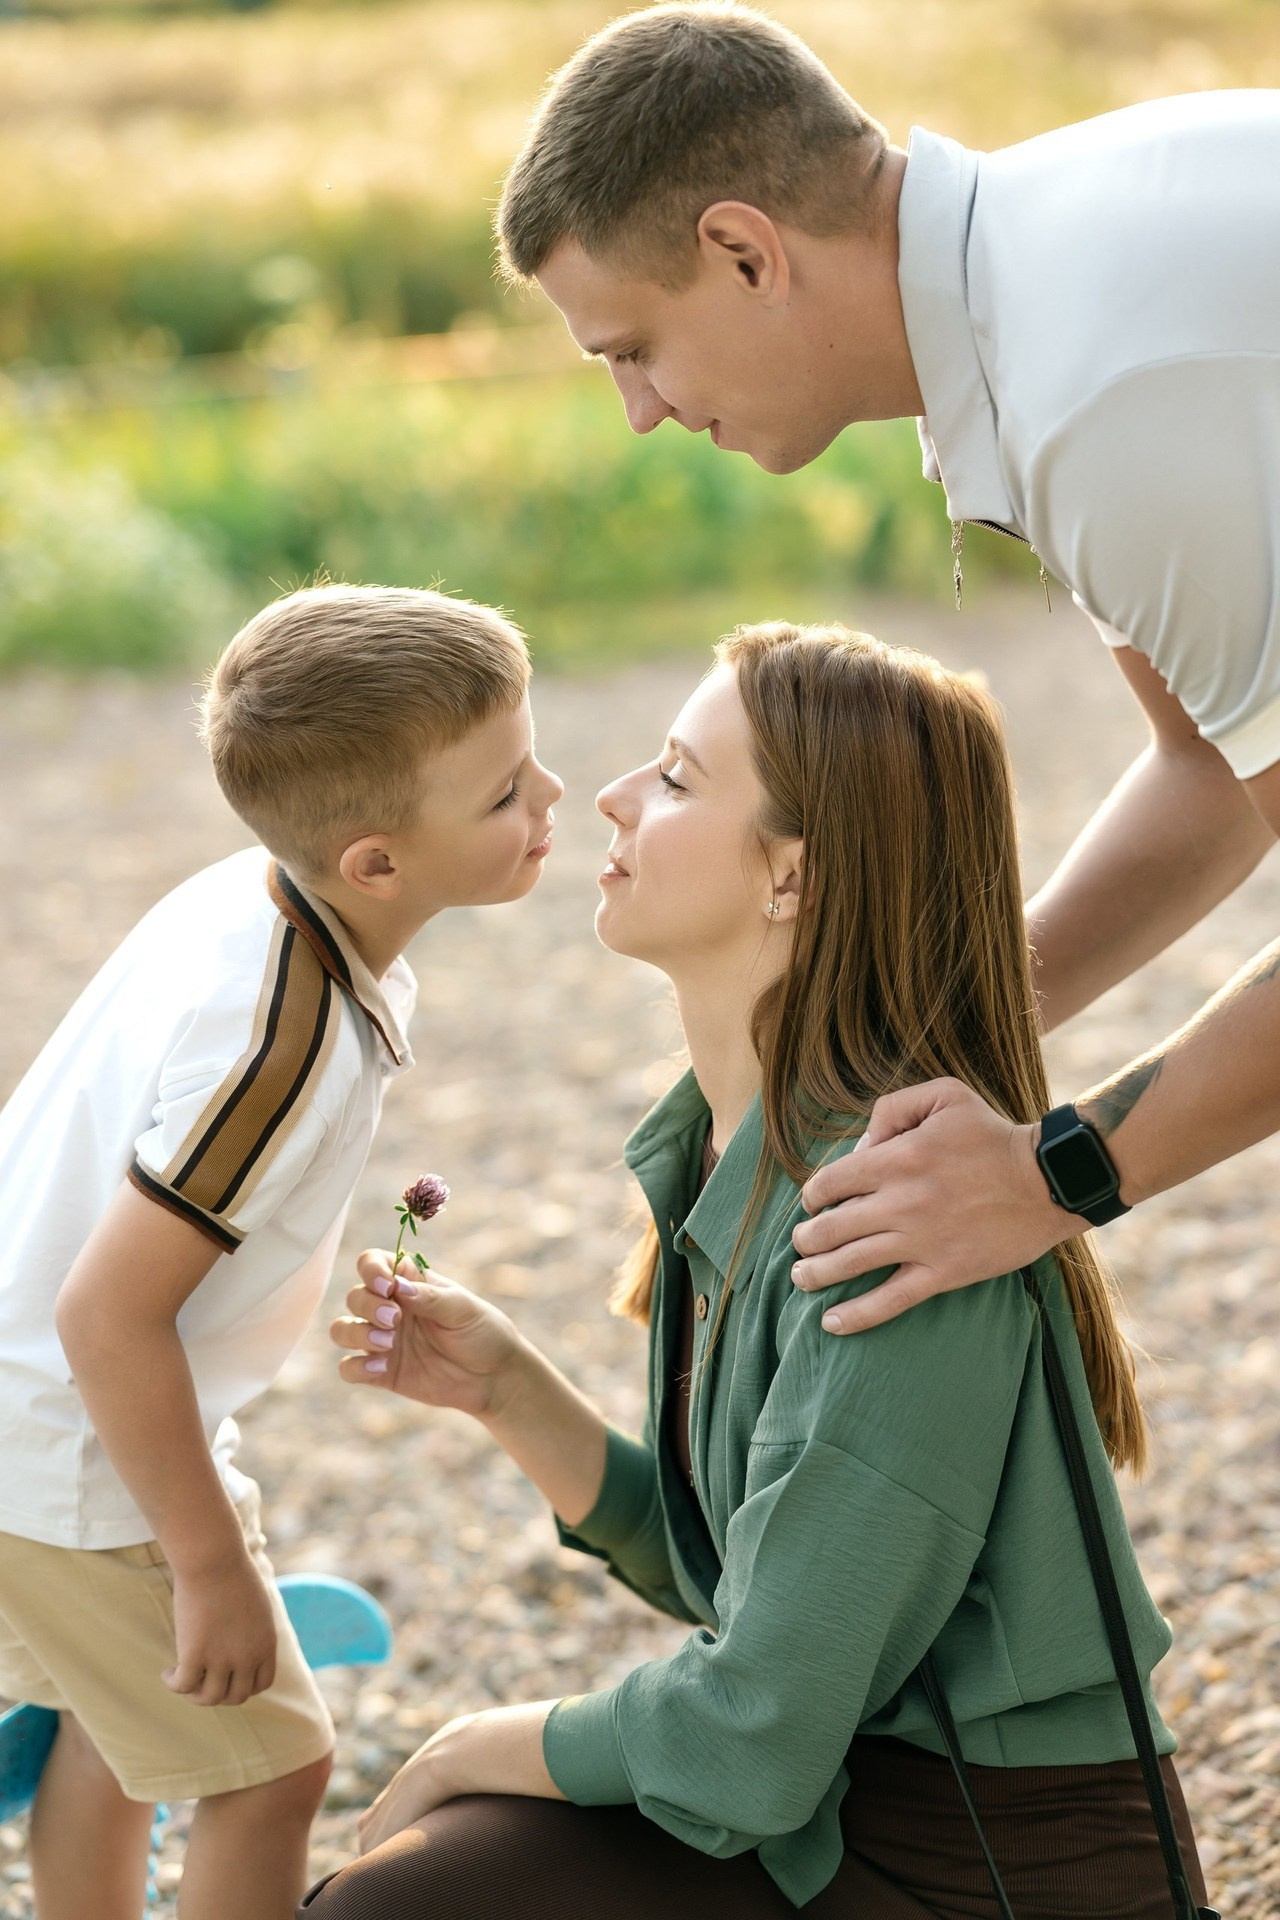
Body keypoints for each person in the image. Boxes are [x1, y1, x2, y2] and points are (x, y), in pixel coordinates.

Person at [307, 623, 1208, 1919]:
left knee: (409, 1899)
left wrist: (467, 1747)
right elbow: (757, 1584)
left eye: (674, 777)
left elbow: (752, 1731)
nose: (610, 795)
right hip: (842, 1810)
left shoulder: (883, 1219)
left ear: (790, 876)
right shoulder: (734, 1150)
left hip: (991, 1874)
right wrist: (512, 1393)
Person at [495, 1, 1280, 1335]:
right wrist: (914, 1036)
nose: (640, 411)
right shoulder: (1038, 273)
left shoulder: (1093, 395)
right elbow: (1216, 773)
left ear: (745, 251)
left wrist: (1057, 1173)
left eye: (632, 348)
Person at [0, 583, 561, 1920]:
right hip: (77, 1446)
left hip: (33, 1413)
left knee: (117, 1722)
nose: (551, 797)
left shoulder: (257, 894)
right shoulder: (283, 1037)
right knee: (270, 1773)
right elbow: (108, 1318)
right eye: (502, 797)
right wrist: (207, 1568)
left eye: (529, 761)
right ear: (376, 862)